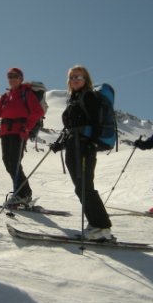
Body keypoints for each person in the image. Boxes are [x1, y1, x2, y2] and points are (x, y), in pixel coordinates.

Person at [51, 65, 113, 240]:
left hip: (84, 148)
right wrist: (60, 144)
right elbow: (72, 128)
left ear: (86, 80)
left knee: (85, 186)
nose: (74, 80)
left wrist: (91, 143)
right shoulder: (73, 99)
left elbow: (96, 123)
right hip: (73, 146)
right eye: (72, 77)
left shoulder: (89, 96)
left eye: (78, 77)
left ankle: (102, 227)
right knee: (81, 187)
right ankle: (95, 224)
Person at [0, 67, 44, 206]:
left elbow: (37, 112)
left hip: (19, 133)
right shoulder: (5, 97)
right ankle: (23, 193)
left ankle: (23, 194)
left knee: (13, 164)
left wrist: (27, 128)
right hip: (6, 134)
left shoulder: (26, 93)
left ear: (21, 78)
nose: (12, 79)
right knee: (9, 163)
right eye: (10, 76)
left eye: (15, 76)